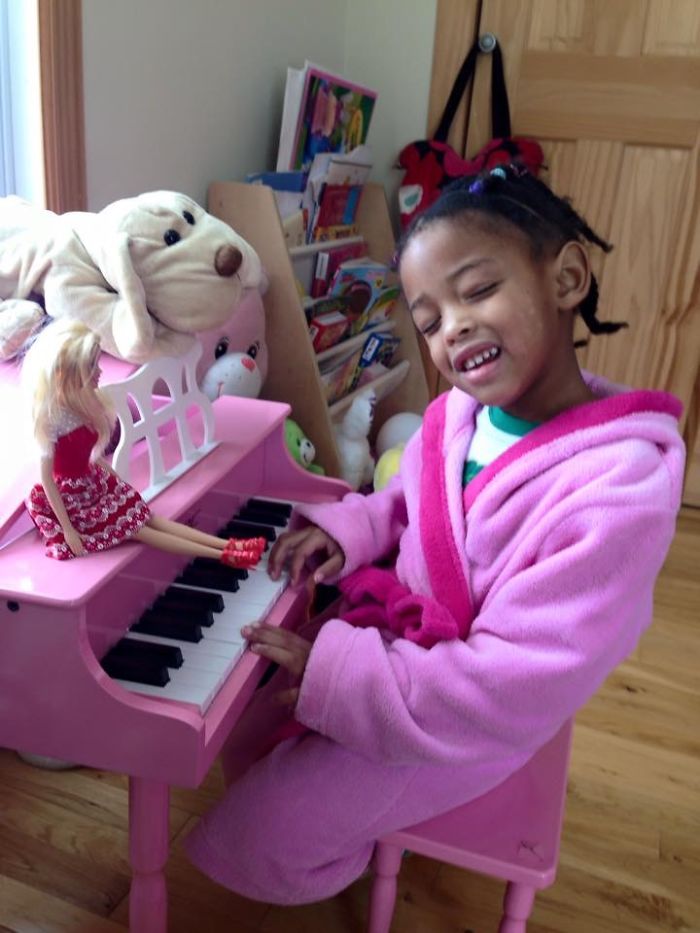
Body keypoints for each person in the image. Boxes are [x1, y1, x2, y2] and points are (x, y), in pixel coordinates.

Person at [185, 165, 686, 905]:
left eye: (478, 291)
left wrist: (346, 677)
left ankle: (346, 854)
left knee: (266, 831)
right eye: (428, 320)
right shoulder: (459, 415)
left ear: (568, 276)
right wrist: (350, 530)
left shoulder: (619, 493)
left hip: (465, 713)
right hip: (399, 654)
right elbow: (406, 498)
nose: (453, 328)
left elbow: (512, 684)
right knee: (247, 708)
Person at [22, 319, 265, 567]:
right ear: (64, 372)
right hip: (75, 501)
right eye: (90, 366)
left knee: (153, 520)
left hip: (96, 483)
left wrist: (116, 480)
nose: (99, 372)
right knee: (143, 531)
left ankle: (229, 545)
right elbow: (48, 480)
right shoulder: (51, 420)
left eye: (96, 364)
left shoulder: (87, 404)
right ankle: (225, 556)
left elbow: (90, 458)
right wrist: (68, 531)